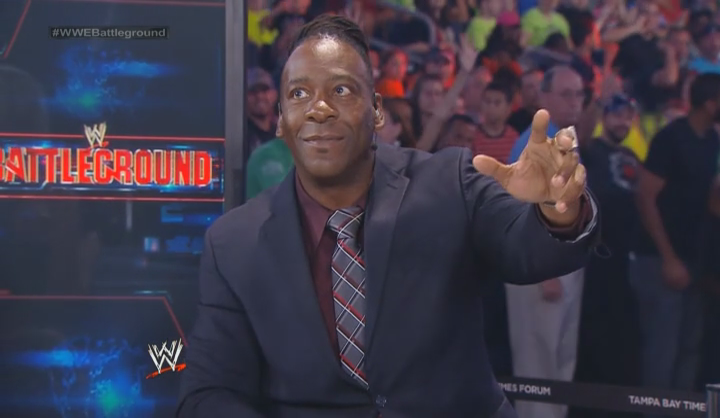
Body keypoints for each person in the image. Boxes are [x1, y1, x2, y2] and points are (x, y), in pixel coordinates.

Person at [178, 15, 599, 418]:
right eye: (299, 94)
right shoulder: (234, 244)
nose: (319, 109)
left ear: (377, 110)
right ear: (280, 121)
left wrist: (556, 210)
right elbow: (209, 393)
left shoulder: (448, 182)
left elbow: (531, 249)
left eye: (341, 90)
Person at [503, 65, 586, 418]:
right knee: (538, 365)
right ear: (545, 98)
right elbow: (522, 210)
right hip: (541, 267)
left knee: (561, 362)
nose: (575, 102)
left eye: (579, 94)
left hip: (565, 261)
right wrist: (545, 271)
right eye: (566, 94)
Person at [631, 73, 720, 397]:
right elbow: (645, 196)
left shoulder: (712, 141)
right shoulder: (670, 139)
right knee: (662, 351)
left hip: (694, 263)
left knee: (689, 349)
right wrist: (668, 259)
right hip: (658, 261)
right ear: (710, 104)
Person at [569, 94, 642, 418]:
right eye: (617, 115)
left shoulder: (631, 156)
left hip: (628, 260)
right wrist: (598, 101)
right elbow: (578, 137)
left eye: (628, 116)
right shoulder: (591, 150)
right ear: (604, 117)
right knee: (594, 339)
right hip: (596, 259)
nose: (623, 122)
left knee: (623, 339)